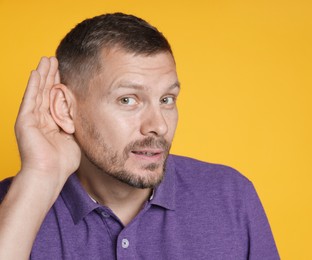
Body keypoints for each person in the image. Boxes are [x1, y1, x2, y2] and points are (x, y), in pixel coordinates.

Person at [0, 13, 279, 259]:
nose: (158, 125)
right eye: (128, 100)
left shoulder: (230, 196)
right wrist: (40, 175)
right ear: (65, 108)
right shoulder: (14, 203)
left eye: (167, 99)